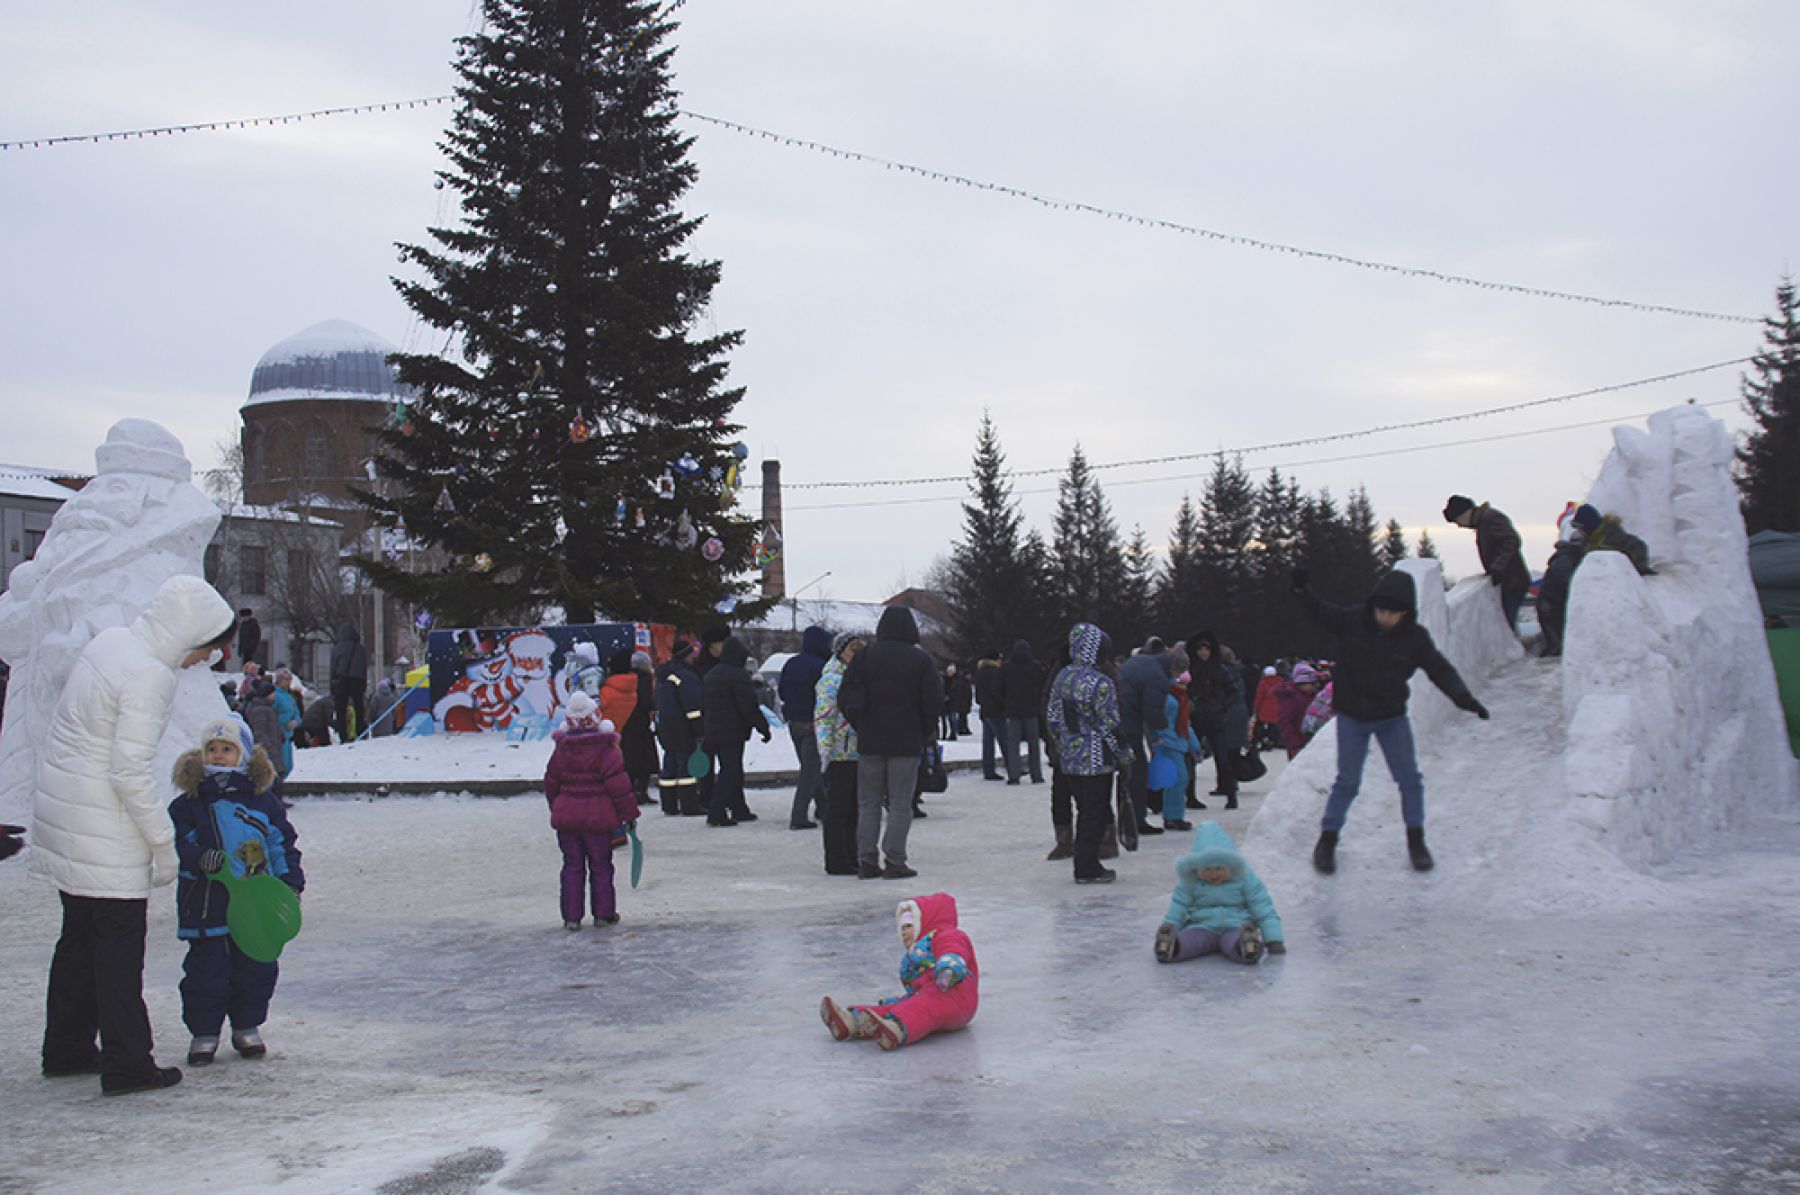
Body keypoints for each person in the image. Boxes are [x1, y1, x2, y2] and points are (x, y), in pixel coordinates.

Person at [35, 573, 236, 1096]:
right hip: (104, 826)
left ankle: (67, 1045)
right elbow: (128, 771)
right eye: (206, 650)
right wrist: (162, 842)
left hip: (66, 811)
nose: (203, 661)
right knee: (119, 947)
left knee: (79, 935)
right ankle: (128, 1063)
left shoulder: (112, 642)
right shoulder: (149, 675)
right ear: (187, 637)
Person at [1292, 567, 1490, 874]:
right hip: (1353, 717)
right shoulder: (1354, 621)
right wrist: (1302, 591)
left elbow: (1439, 670)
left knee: (1409, 779)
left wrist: (1464, 698)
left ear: (1406, 613)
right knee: (1347, 781)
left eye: (1393, 613)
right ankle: (1327, 841)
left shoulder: (1415, 639)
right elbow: (1321, 613)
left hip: (1390, 718)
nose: (1385, 617)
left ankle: (1416, 841)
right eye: (1381, 610)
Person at [169, 715, 304, 1064]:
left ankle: (247, 1026)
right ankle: (204, 1032)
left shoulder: (261, 801)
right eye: (211, 749)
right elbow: (180, 843)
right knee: (206, 970)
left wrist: (288, 882)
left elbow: (280, 842)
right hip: (207, 901)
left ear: (242, 754)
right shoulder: (190, 803)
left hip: (254, 901)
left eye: (226, 749)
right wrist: (200, 858)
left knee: (255, 967)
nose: (217, 756)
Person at [839, 607, 941, 880]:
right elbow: (932, 702)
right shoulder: (921, 661)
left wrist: (860, 724)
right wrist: (923, 731)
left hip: (870, 739)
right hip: (906, 741)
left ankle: (867, 860)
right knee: (899, 802)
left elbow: (845, 695)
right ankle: (895, 860)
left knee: (868, 803)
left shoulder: (864, 657)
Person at [819, 893, 978, 1052]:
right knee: (903, 1006)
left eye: (909, 926)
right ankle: (853, 1022)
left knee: (922, 1006)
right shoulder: (918, 951)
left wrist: (948, 967)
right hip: (932, 995)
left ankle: (898, 1028)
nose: (903, 932)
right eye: (901, 928)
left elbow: (952, 948)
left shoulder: (946, 934)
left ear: (924, 923)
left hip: (956, 992)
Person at [543, 692, 638, 929]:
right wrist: (629, 815)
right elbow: (619, 787)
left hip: (568, 820)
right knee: (601, 865)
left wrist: (557, 807)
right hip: (599, 819)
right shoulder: (606, 751)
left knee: (572, 866)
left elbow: (551, 783)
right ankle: (603, 914)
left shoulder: (561, 750)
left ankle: (572, 917)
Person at [1045, 622, 1124, 884]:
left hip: (1069, 758)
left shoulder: (1062, 677)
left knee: (1083, 808)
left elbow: (1053, 719)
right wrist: (1123, 754)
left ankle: (1084, 860)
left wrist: (1061, 745)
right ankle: (1087, 866)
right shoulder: (1100, 682)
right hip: (1096, 757)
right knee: (1095, 810)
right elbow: (1109, 723)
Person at [1153, 822, 1284, 965]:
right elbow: (1178, 908)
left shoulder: (1245, 879)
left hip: (1235, 926)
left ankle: (1247, 946)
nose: (1213, 874)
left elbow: (1262, 907)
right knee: (1192, 941)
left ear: (1230, 866)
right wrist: (1171, 927)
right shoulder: (1190, 882)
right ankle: (1171, 946)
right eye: (1207, 869)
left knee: (1233, 942)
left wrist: (1273, 939)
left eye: (1219, 868)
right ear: (1197, 869)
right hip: (1202, 926)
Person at [701, 636, 770, 826]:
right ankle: (717, 812)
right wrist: (763, 727)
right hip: (732, 731)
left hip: (713, 730)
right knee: (731, 772)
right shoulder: (739, 676)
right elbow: (748, 706)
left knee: (731, 770)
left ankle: (739, 808)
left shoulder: (711, 674)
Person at [814, 631, 865, 876]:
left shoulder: (858, 676)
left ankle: (852, 854)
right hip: (839, 752)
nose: (856, 653)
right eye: (852, 648)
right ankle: (836, 859)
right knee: (838, 807)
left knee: (854, 807)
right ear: (841, 651)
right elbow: (823, 718)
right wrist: (824, 749)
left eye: (859, 649)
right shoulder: (831, 680)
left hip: (858, 751)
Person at [1443, 495, 1532, 631]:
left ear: (1465, 513)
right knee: (1507, 621)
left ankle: (1510, 649)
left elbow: (1511, 541)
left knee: (1507, 624)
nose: (1459, 526)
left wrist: (1497, 567)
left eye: (1457, 521)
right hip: (1509, 581)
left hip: (1513, 581)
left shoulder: (1490, 519)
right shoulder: (1485, 520)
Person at [1116, 637, 1173, 838]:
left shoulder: (1139, 662)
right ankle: (1136, 820)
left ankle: (1125, 819)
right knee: (1137, 772)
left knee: (1124, 774)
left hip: (1116, 723)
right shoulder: (1158, 677)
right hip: (1129, 726)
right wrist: (1165, 726)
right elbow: (1153, 712)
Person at [779, 626, 832, 830]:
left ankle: (824, 807)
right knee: (811, 772)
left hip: (794, 722)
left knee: (812, 769)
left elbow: (782, 692)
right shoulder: (821, 666)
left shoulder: (791, 663)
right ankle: (799, 815)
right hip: (814, 723)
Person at [1185, 631, 1245, 810]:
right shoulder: (1192, 670)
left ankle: (1230, 793)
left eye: (1206, 649)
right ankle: (1190, 796)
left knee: (1222, 757)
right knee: (1192, 758)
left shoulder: (1219, 669)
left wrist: (1222, 707)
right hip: (1197, 717)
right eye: (1200, 650)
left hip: (1215, 716)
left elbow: (1233, 691)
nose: (1203, 653)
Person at [653, 640, 706, 816]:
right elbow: (693, 706)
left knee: (670, 764)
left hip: (666, 726)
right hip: (683, 727)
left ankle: (669, 804)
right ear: (686, 655)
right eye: (692, 653)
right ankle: (689, 805)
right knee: (686, 766)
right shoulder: (686, 676)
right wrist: (700, 729)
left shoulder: (664, 675)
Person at [996, 639, 1046, 784]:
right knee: (1034, 744)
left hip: (1013, 710)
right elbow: (1042, 686)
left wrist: (1004, 703)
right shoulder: (1035, 667)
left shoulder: (1006, 667)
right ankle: (1036, 775)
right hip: (1031, 709)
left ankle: (1014, 775)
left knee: (1013, 744)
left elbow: (998, 688)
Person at [1570, 503, 1653, 576]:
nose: (1579, 532)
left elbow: (1638, 546)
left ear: (1588, 526)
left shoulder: (1611, 535)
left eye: (1581, 528)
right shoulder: (1587, 542)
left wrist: (1638, 571)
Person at [621, 652, 658, 807]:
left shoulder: (626, 679)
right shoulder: (644, 679)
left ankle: (630, 791)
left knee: (630, 759)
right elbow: (647, 703)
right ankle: (641, 791)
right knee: (645, 759)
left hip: (626, 723)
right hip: (641, 724)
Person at [328, 621, 368, 741]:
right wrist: (363, 683)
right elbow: (363, 667)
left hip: (341, 681)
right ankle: (361, 732)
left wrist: (332, 685)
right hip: (357, 681)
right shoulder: (360, 649)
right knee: (358, 708)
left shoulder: (337, 649)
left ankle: (343, 735)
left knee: (341, 709)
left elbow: (333, 668)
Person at [1274, 663, 1322, 758]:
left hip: (1310, 742)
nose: (1315, 686)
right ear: (1301, 683)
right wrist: (1294, 744)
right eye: (1312, 683)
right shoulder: (1290, 698)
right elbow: (1285, 723)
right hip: (1297, 745)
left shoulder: (1311, 696)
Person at [974, 649, 1007, 781]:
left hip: (985, 711)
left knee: (988, 743)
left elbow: (977, 697)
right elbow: (997, 691)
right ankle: (1013, 767)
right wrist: (1003, 704)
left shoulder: (980, 673)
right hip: (996, 711)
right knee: (1005, 741)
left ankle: (988, 770)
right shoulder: (996, 673)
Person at [270, 669, 302, 778]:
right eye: (285, 680)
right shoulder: (275, 696)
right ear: (279, 681)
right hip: (277, 736)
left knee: (288, 766)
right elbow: (270, 714)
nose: (288, 682)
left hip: (287, 735)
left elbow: (296, 712)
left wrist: (296, 721)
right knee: (279, 766)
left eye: (290, 679)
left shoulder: (289, 696)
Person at [1252, 666, 1283, 752]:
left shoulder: (1263, 683)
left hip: (1264, 711)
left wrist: (1255, 708)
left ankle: (1265, 742)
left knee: (1262, 728)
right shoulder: (1280, 683)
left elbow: (1259, 697)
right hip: (1276, 710)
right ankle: (1272, 741)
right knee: (1273, 728)